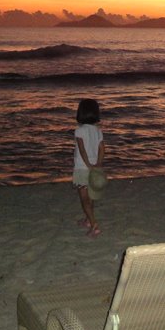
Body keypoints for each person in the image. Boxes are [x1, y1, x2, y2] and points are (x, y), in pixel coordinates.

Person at [72, 98, 105, 237]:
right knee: (90, 198)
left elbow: (82, 149)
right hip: (94, 169)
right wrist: (98, 164)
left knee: (84, 199)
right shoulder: (98, 131)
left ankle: (94, 225)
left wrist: (88, 165)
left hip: (82, 168)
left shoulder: (79, 131)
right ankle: (87, 220)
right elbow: (102, 149)